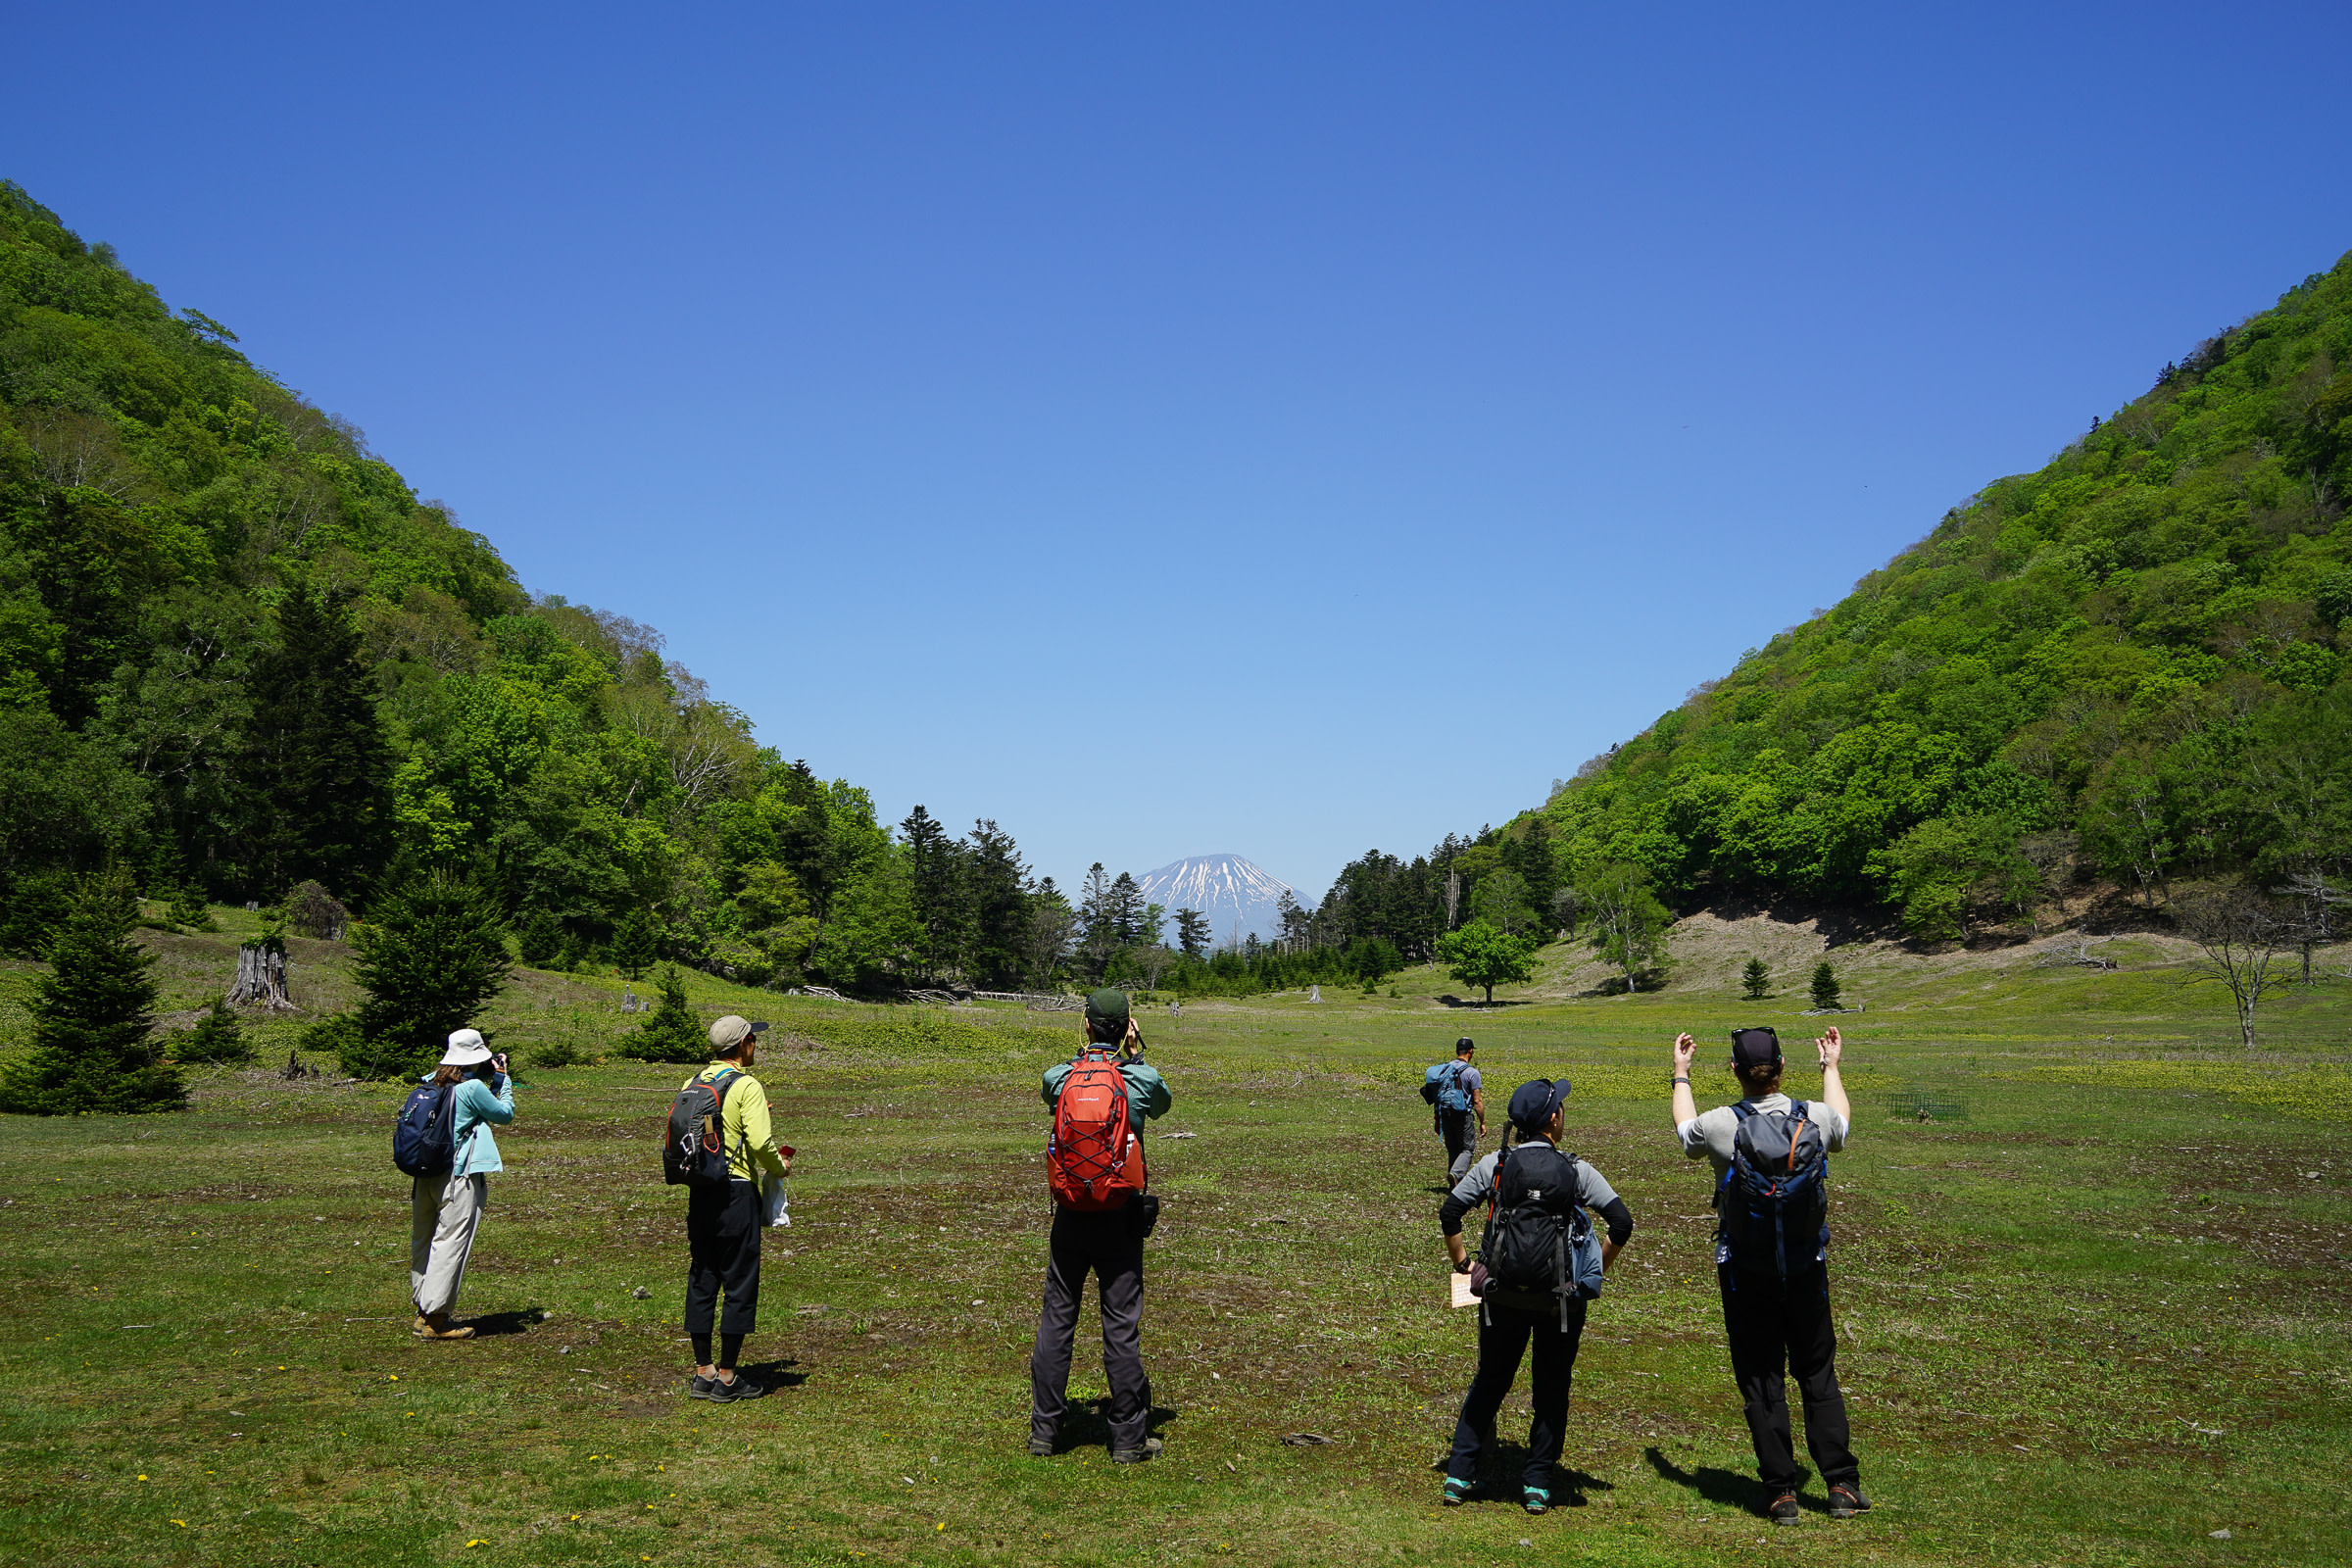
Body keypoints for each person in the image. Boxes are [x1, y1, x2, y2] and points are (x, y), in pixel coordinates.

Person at [1671, 1024, 1870, 1525]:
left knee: (1762, 1379)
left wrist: (1680, 1074)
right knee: (1817, 1373)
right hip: (1806, 1268)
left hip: (1746, 1272)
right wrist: (1831, 1066)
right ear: (1783, 1068)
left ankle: (1782, 1493)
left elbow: (1683, 1134)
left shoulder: (1721, 1125)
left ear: (1734, 1071)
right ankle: (1842, 1484)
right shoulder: (1816, 1118)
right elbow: (1843, 1124)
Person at [1438, 1077, 1634, 1513]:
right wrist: (1593, 1273)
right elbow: (1621, 1222)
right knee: (1551, 1386)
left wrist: (1464, 1264)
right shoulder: (1577, 1170)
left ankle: (1458, 1474)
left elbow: (1450, 1211)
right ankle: (1537, 1482)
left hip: (1499, 1294)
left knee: (1490, 1380)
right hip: (1560, 1303)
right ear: (1554, 1119)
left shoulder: (1496, 1164)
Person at [1027, 987, 1172, 1462]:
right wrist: (1134, 1053)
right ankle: (1128, 1438)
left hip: (1070, 1214)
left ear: (1087, 1025)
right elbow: (1163, 1101)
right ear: (1127, 1025)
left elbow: (1050, 1086)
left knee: (1057, 1319)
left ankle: (1045, 1431)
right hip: (1119, 1216)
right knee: (1120, 1324)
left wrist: (1085, 1055)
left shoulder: (1061, 1077)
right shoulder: (1138, 1080)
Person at [681, 1014, 793, 1401]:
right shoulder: (746, 1084)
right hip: (737, 1191)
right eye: (753, 1040)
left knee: (703, 1274)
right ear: (743, 1044)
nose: (755, 1046)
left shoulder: (693, 1082)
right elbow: (762, 1144)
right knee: (740, 1278)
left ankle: (703, 1371)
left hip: (701, 1191)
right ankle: (728, 1376)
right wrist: (781, 1167)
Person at [410, 1028, 514, 1341]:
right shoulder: (472, 1088)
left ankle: (423, 1310)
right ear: (477, 1057)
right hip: (457, 1177)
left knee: (424, 1241)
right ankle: (436, 1319)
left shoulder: (430, 1082)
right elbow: (504, 1114)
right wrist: (503, 1079)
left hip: (424, 1173)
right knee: (451, 1242)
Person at [1428, 1037, 1486, 1183]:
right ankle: (1455, 1174)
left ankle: (1454, 1185)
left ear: (1456, 1051)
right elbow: (1477, 1101)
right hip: (1462, 1114)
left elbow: (1437, 1096)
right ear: (1471, 1051)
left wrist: (1437, 1119)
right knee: (1467, 1149)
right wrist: (1482, 1122)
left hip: (1445, 1113)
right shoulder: (1472, 1073)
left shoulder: (1445, 1069)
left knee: (1453, 1148)